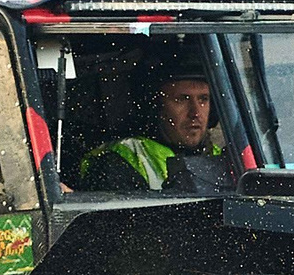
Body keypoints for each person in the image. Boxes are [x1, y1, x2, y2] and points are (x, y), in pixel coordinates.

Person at [79, 60, 225, 192]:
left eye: (203, 99)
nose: (195, 113)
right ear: (155, 107)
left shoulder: (224, 158)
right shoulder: (119, 161)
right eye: (181, 99)